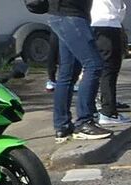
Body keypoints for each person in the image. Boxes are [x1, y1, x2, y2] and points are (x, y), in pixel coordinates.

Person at [46, 0, 116, 140]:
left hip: (63, 15)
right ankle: (84, 122)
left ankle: (62, 126)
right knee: (94, 65)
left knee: (68, 74)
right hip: (71, 16)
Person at [89, 0, 131, 126]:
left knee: (94, 69)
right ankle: (108, 112)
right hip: (108, 24)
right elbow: (116, 7)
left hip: (92, 24)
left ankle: (94, 109)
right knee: (109, 70)